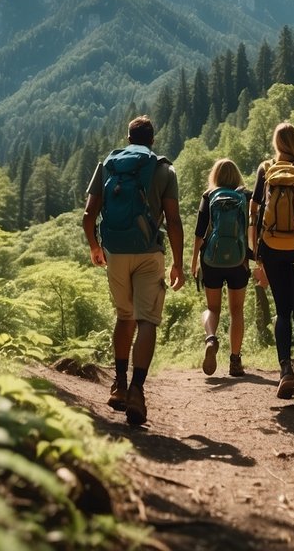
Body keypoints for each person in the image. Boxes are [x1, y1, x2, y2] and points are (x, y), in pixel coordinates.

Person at [82, 116, 185, 426]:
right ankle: (138, 391)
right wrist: (178, 262)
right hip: (148, 253)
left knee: (123, 316)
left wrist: (95, 247)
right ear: (152, 140)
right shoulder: (164, 169)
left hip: (114, 251)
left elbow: (89, 215)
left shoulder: (108, 166)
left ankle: (119, 385)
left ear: (127, 138)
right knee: (147, 321)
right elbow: (174, 220)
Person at [250, 123, 294, 399]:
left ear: (276, 143)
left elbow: (253, 211)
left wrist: (256, 254)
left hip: (272, 246)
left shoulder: (266, 169)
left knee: (282, 310)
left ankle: (284, 369)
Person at [190, 158, 254, 377]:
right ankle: (235, 362)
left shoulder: (209, 196)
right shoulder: (246, 196)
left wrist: (194, 261)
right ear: (236, 175)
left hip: (212, 260)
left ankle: (210, 338)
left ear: (215, 176)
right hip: (238, 259)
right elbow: (252, 229)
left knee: (213, 308)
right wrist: (252, 258)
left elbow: (199, 232)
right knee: (237, 311)